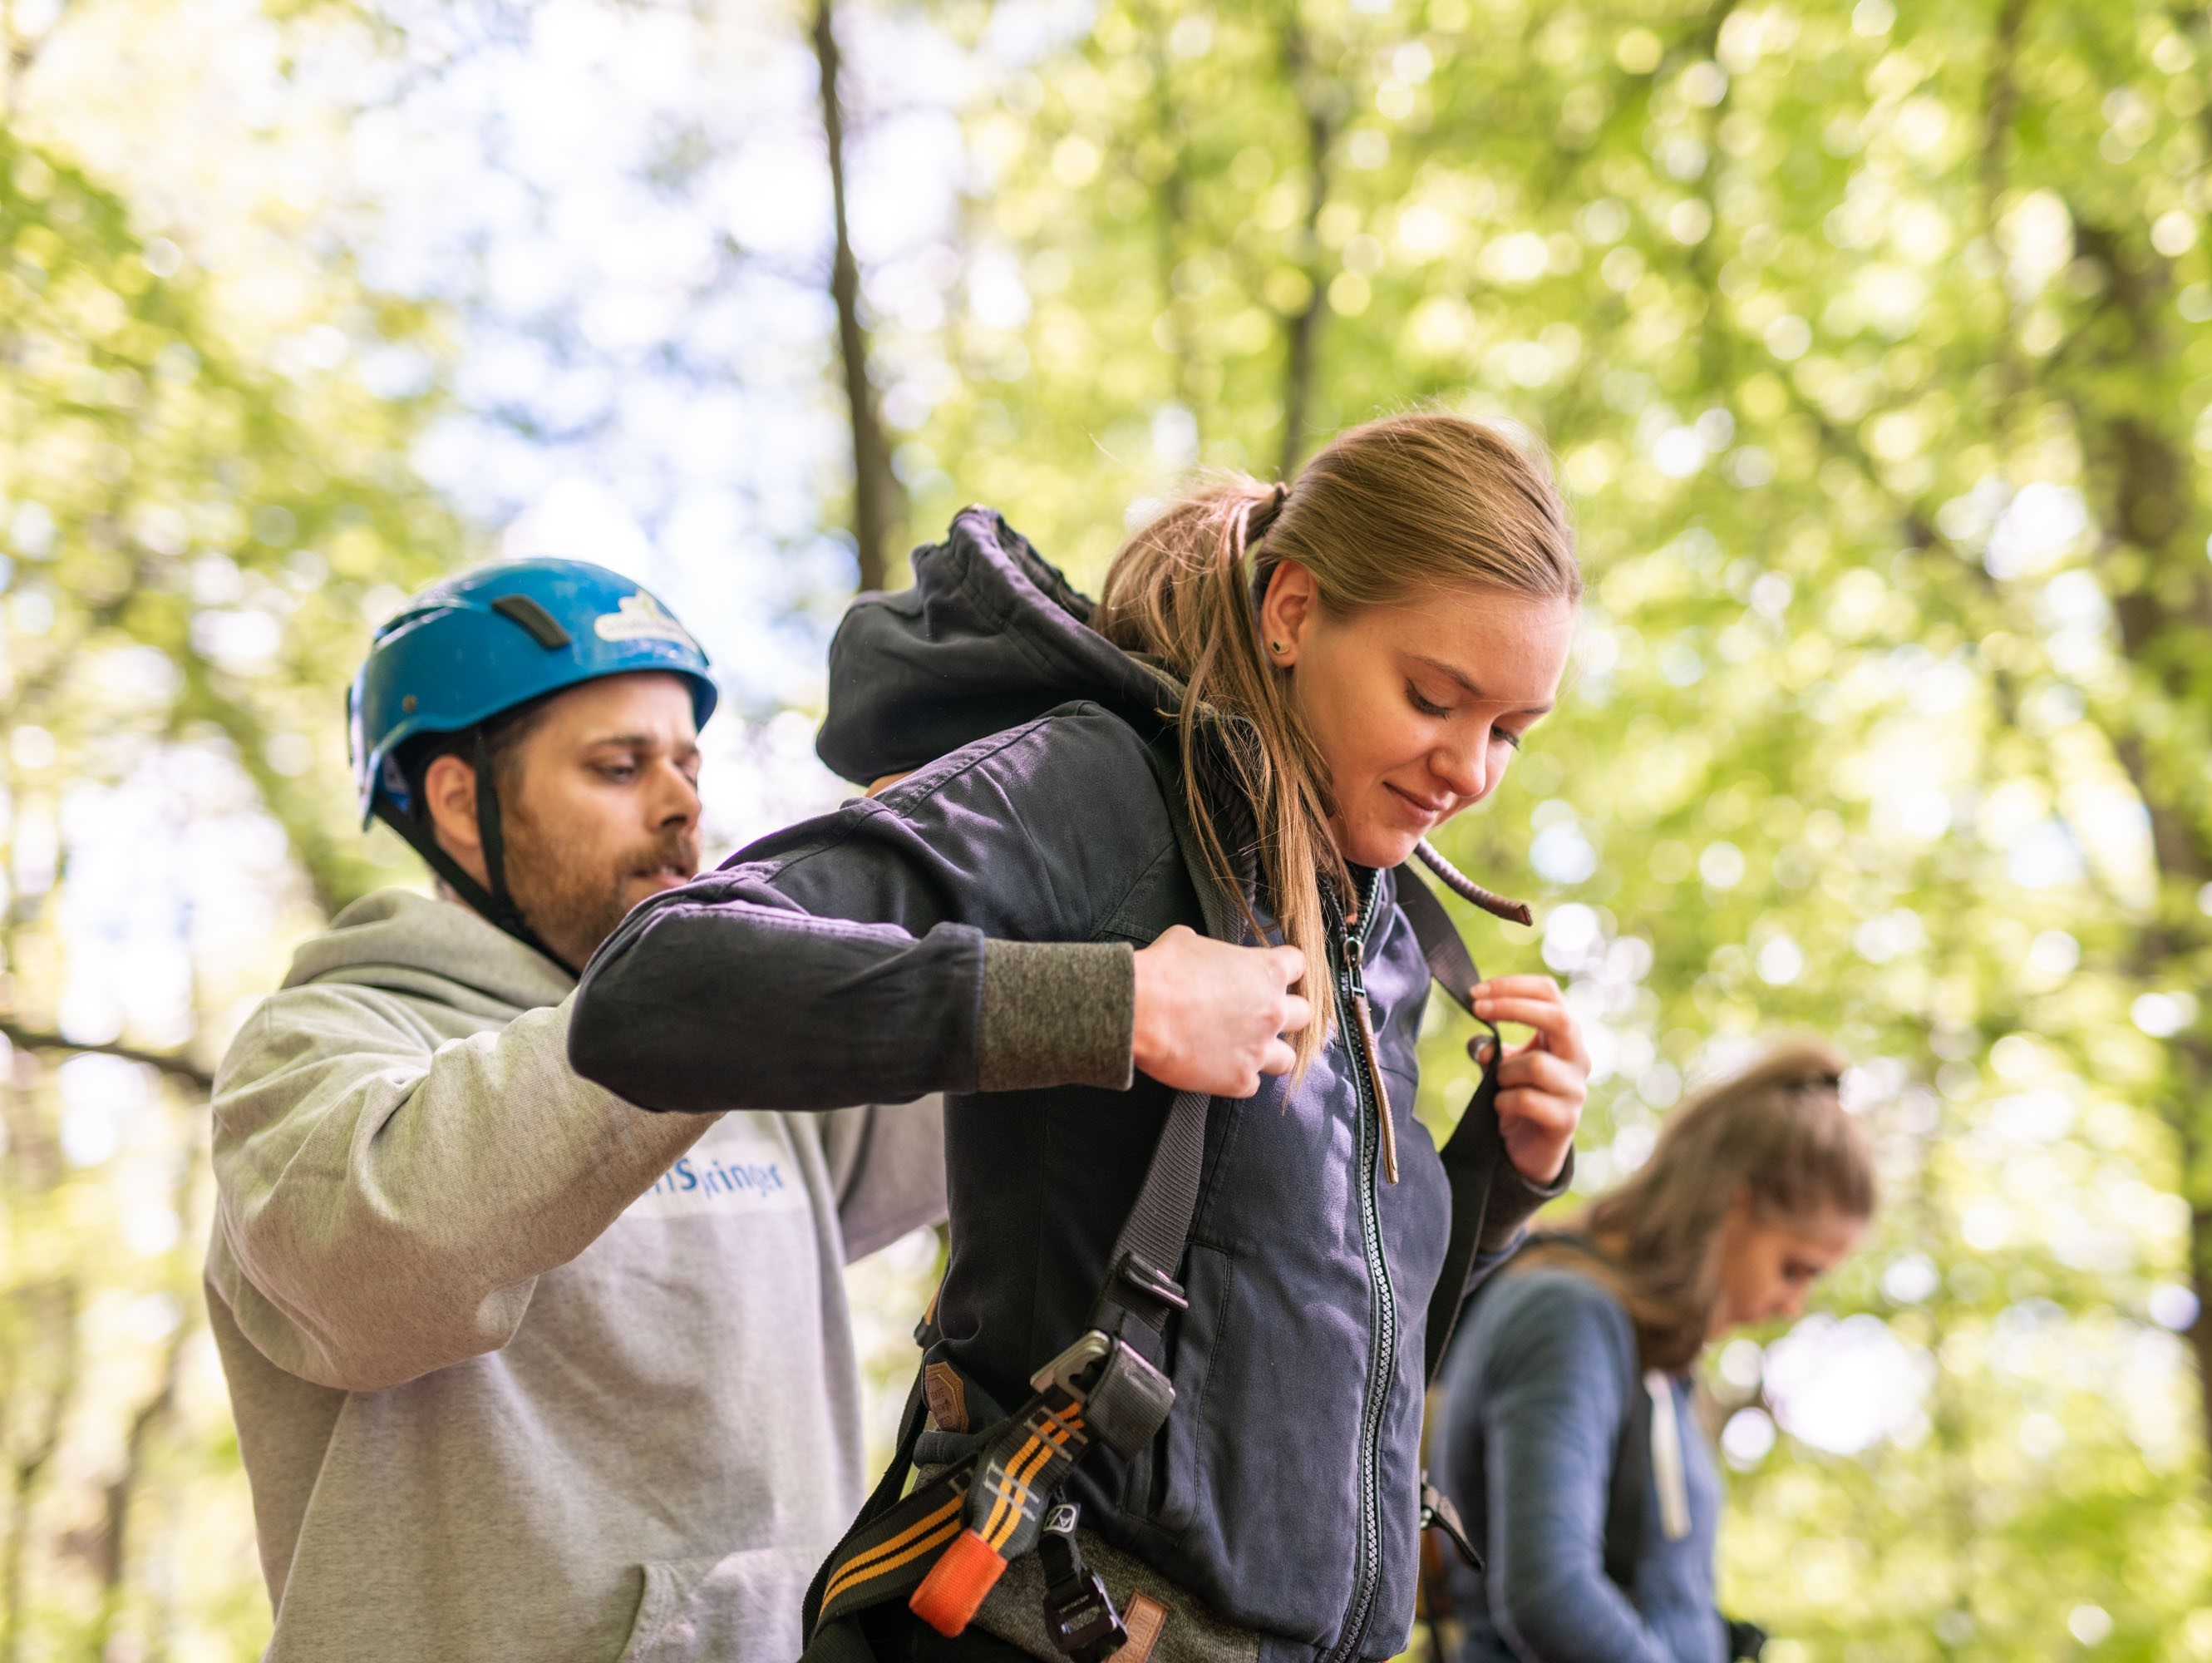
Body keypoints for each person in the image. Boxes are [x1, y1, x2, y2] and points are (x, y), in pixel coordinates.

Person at [568, 412, 1593, 1663]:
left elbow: (1297, 1354)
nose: (1472, 771)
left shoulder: (1378, 931)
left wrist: (1497, 1177)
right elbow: (654, 986)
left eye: (1509, 732)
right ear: (1291, 612)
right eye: (1435, 698)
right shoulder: (1098, 792)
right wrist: (1118, 1007)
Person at [204, 559, 947, 1663]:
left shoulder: (755, 1058)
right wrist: (697, 1005)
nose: (682, 801)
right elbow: (386, 1258)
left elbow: (989, 1073)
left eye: (687, 763)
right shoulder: (316, 1053)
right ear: (458, 800)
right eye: (618, 765)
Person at [1426, 1039, 1875, 1663]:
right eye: (1793, 1268)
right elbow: (1548, 1592)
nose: (1790, 1304)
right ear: (1732, 1203)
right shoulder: (1567, 1314)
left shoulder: (1651, 1359)